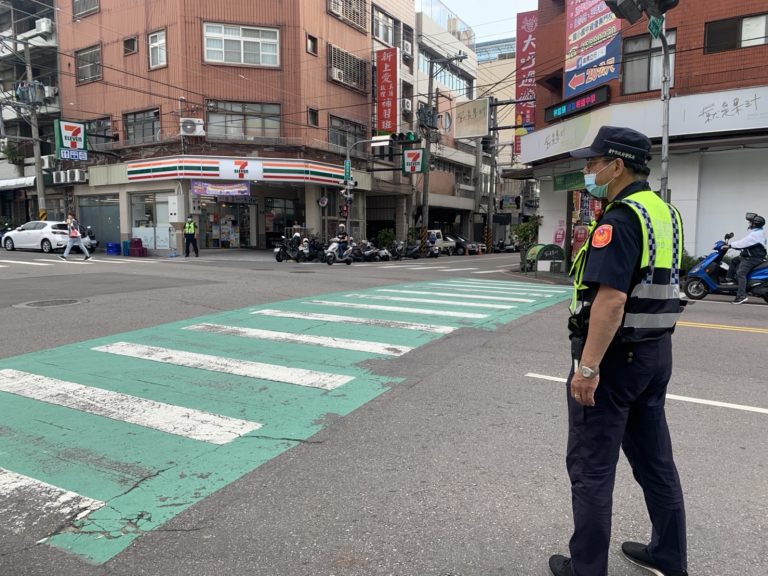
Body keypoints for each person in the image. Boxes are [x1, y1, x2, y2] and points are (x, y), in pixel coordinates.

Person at [548, 126, 688, 576]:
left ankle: (586, 570)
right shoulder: (665, 213)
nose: (587, 171)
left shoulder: (621, 219)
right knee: (655, 461)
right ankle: (668, 556)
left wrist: (587, 368)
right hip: (655, 355)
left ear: (617, 165)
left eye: (593, 164)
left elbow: (611, 300)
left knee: (591, 468)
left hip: (615, 360)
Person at [722, 212, 766, 304]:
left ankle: (741, 296)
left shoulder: (756, 234)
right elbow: (744, 242)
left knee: (741, 273)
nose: (749, 223)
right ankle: (729, 280)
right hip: (749, 255)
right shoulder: (757, 232)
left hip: (753, 258)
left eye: (751, 222)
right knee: (734, 260)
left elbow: (744, 243)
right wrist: (731, 245)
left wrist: (730, 246)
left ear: (755, 224)